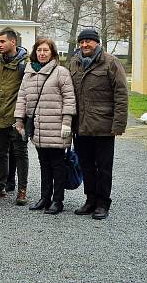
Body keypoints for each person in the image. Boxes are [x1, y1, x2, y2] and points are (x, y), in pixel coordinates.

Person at [68, 28, 128, 220]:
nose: (85, 45)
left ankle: (103, 203)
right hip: (81, 126)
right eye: (82, 42)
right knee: (85, 165)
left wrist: (118, 125)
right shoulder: (74, 62)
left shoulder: (111, 62)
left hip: (103, 126)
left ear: (97, 43)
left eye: (89, 41)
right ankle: (90, 200)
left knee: (103, 167)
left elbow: (121, 95)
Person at [15, 38, 76, 215]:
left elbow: (69, 98)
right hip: (38, 127)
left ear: (52, 53)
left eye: (46, 51)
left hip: (56, 126)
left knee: (57, 165)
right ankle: (44, 197)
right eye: (39, 50)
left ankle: (57, 200)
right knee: (44, 164)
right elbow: (22, 98)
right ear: (35, 52)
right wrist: (19, 121)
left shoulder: (60, 72)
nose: (42, 53)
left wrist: (67, 122)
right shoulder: (28, 73)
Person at [0, 28, 29, 205]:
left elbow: (27, 92)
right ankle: (0, 185)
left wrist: (22, 118)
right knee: (0, 153)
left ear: (13, 42)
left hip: (16, 119)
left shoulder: (24, 64)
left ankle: (22, 190)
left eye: (2, 41)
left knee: (20, 153)